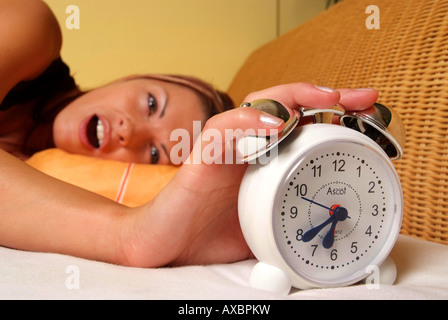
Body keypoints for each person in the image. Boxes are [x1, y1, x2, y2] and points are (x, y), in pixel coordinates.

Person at [0, 0, 379, 267]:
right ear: (132, 77)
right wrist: (129, 236)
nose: (128, 132)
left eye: (153, 155)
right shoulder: (32, 25)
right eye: (150, 104)